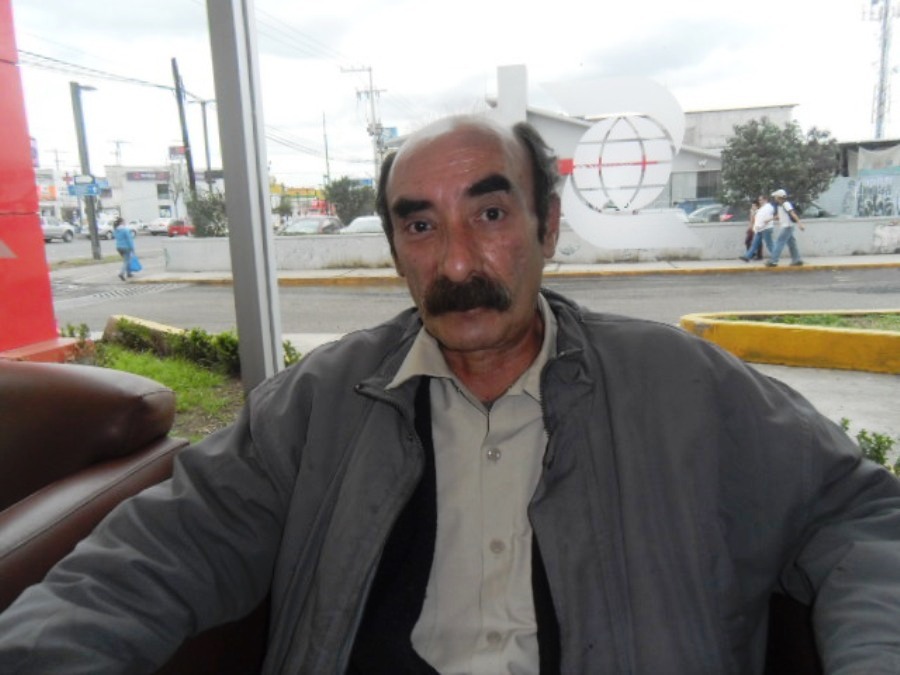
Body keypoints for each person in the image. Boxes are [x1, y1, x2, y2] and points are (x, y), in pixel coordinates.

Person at [2, 115, 900, 673]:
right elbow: (151, 556)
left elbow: (860, 515)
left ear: (548, 226)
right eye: (422, 225)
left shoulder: (684, 387)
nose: (458, 261)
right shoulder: (320, 404)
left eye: (491, 213)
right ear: (396, 249)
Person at [767, 188, 805, 267]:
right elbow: (779, 216)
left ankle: (773, 261)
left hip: (787, 227)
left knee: (779, 243)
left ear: (779, 197)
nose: (775, 198)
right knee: (792, 244)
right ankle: (797, 260)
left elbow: (792, 214)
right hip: (787, 227)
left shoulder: (786, 204)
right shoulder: (780, 206)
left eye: (775, 197)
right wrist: (769, 219)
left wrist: (800, 223)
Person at [739, 194, 776, 262]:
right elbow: (757, 216)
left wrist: (760, 225)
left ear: (765, 200)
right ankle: (747, 256)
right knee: (754, 244)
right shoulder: (762, 208)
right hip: (760, 229)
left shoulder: (768, 207)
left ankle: (775, 257)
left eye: (761, 200)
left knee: (769, 244)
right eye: (759, 200)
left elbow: (765, 218)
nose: (760, 201)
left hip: (766, 228)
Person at [113, 216, 135, 281]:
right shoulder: (125, 230)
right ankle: (121, 273)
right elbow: (129, 239)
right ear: (121, 222)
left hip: (119, 247)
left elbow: (115, 237)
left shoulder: (116, 230)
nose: (125, 222)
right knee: (126, 261)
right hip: (126, 247)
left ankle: (129, 273)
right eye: (124, 221)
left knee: (127, 260)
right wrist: (132, 248)